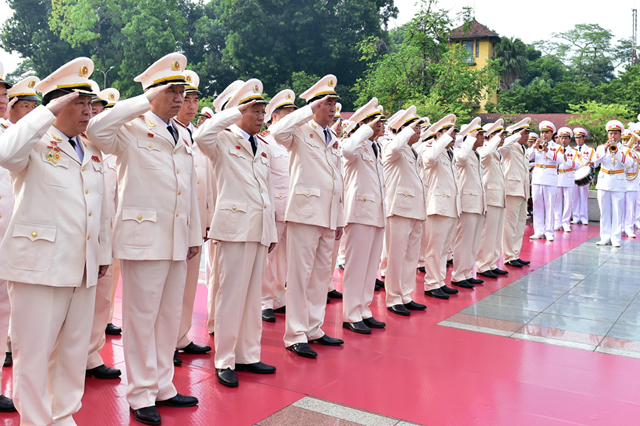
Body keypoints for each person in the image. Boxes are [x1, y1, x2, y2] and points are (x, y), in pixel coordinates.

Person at [86, 53, 201, 425]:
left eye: (182, 91)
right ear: (152, 92)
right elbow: (96, 130)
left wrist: (193, 234)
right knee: (141, 319)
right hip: (144, 239)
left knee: (168, 317)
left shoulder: (182, 133)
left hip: (176, 238)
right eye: (171, 91)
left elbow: (187, 188)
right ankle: (140, 394)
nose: (179, 98)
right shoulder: (132, 128)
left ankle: (163, 385)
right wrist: (143, 100)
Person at [0, 57, 111, 424]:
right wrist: (44, 112)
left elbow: (99, 205)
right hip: (40, 267)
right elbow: (5, 152)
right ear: (58, 105)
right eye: (79, 103)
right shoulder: (33, 141)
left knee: (72, 351)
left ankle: (63, 416)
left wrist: (102, 253)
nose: (88, 111)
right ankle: (35, 420)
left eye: (90, 104)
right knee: (34, 353)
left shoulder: (89, 148)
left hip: (81, 265)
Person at [194, 78, 278, 388]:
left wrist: (271, 230)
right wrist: (233, 112)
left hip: (258, 229)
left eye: (262, 111)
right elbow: (201, 135)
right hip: (233, 229)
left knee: (252, 297)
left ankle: (248, 354)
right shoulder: (222, 140)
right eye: (255, 110)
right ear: (239, 112)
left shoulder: (263, 146)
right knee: (230, 297)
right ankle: (225, 359)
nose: (261, 116)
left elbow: (266, 191)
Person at [270, 74, 345, 359]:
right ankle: (295, 334)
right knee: (299, 277)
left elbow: (337, 180)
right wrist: (307, 109)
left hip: (328, 215)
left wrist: (340, 219)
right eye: (327, 103)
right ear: (315, 105)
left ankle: (314, 327)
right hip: (305, 214)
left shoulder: (332, 136)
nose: (333, 108)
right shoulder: (300, 130)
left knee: (321, 275)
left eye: (334, 103)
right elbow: (277, 132)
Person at [171, 70, 213, 366]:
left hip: (193, 221)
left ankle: (181, 335)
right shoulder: (167, 132)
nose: (191, 105)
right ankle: (167, 340)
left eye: (195, 100)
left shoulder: (194, 135)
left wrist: (205, 219)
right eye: (186, 99)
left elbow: (204, 181)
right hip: (174, 222)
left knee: (187, 286)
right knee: (171, 288)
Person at [84, 84, 123, 381]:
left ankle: (91, 354)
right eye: (90, 110)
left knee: (102, 299)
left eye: (98, 111)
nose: (93, 116)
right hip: (78, 237)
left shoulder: (107, 151)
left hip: (106, 234)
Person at [341, 98, 386, 334]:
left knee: (370, 266)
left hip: (376, 212)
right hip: (359, 213)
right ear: (363, 124)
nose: (380, 125)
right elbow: (348, 150)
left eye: (380, 122)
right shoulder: (354, 144)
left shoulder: (375, 147)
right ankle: (351, 313)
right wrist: (365, 129)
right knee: (357, 266)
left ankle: (364, 309)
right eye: (375, 121)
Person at [204, 80, 244, 337]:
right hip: (218, 217)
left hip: (238, 218)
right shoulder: (217, 137)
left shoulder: (248, 141)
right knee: (218, 277)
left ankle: (226, 325)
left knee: (232, 281)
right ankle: (215, 323)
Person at [381, 106, 427, 316]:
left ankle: (405, 295)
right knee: (396, 256)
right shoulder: (391, 145)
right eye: (415, 128)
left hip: (415, 209)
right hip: (399, 209)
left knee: (410, 256)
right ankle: (393, 298)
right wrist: (407, 129)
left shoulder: (411, 150)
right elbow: (394, 148)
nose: (419, 132)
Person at [261, 89, 297, 323]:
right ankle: (265, 300)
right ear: (274, 116)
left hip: (291, 208)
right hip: (274, 207)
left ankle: (279, 297)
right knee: (268, 258)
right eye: (286, 114)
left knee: (284, 257)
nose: (291, 118)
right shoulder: (266, 141)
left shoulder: (292, 141)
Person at [421, 114, 460, 300]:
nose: (453, 136)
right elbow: (429, 159)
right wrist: (443, 139)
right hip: (438, 206)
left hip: (451, 205)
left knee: (444, 249)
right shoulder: (431, 149)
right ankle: (431, 283)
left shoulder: (449, 153)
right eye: (449, 132)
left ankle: (439, 281)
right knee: (434, 248)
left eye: (454, 133)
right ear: (438, 134)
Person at [451, 118, 486, 289]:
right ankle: (458, 274)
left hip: (477, 202)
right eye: (479, 135)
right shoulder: (461, 151)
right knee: (464, 240)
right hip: (467, 202)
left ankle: (466, 272)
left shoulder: (476, 154)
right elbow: (461, 159)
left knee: (473, 241)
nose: (483, 138)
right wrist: (470, 138)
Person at [0, 61, 16, 413]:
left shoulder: (10, 131)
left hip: (8, 236)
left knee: (2, 310)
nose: (2, 100)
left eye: (4, 94)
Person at [476, 120, 508, 279]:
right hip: (490, 196)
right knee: (488, 232)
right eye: (499, 135)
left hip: (499, 196)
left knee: (496, 233)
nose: (502, 138)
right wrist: (495, 139)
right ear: (491, 136)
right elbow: (486, 155)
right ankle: (483, 264)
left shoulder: (496, 152)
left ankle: (492, 262)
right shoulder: (483, 150)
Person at [499, 118, 532, 268]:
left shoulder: (523, 149)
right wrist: (516, 135)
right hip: (512, 191)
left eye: (527, 133)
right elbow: (503, 146)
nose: (527, 136)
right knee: (510, 225)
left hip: (523, 190)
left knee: (520, 225)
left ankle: (515, 254)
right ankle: (508, 255)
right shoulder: (510, 147)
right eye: (524, 133)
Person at [593, 120, 631, 247]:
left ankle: (615, 238)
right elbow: (594, 162)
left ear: (620, 135)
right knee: (604, 211)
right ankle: (604, 237)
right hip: (604, 181)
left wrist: (617, 152)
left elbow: (628, 163)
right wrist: (604, 149)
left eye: (615, 133)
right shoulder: (601, 148)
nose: (612, 136)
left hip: (618, 182)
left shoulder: (625, 149)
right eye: (610, 133)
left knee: (617, 212)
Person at [529, 120, 565, 241]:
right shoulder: (536, 145)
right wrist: (533, 147)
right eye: (542, 132)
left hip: (550, 178)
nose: (544, 134)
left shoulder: (557, 147)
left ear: (551, 133)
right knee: (537, 204)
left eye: (546, 132)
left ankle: (549, 231)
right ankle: (538, 231)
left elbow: (560, 160)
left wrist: (547, 150)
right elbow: (527, 157)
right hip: (537, 177)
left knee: (550, 205)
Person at [554, 127, 577, 233]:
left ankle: (566, 222)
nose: (563, 140)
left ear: (569, 139)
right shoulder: (555, 149)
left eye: (565, 138)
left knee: (568, 202)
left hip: (568, 176)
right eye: (561, 138)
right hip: (558, 176)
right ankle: (557, 222)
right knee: (557, 201)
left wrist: (567, 161)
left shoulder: (574, 152)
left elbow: (578, 165)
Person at [571, 127, 594, 225]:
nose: (578, 139)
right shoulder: (572, 150)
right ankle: (576, 217)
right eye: (576, 138)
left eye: (580, 137)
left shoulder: (590, 150)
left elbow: (594, 162)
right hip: (574, 175)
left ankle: (584, 217)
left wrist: (592, 163)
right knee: (574, 197)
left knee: (584, 197)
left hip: (584, 175)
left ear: (584, 138)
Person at [622, 130, 639, 238]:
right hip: (621, 181)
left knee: (630, 207)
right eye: (624, 140)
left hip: (632, 182)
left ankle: (629, 228)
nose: (626, 142)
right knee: (620, 207)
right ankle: (620, 228)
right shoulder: (619, 151)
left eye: (628, 140)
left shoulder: (636, 153)